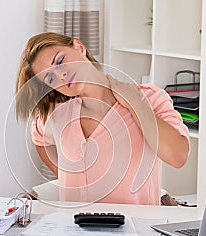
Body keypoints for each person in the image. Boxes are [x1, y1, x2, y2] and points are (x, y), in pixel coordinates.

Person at [15, 32, 190, 205]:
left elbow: (177, 156)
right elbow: (39, 138)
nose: (61, 75)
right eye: (51, 78)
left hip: (137, 229)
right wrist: (65, 175)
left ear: (79, 47)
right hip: (73, 229)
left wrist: (136, 104)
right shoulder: (57, 114)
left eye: (60, 61)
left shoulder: (149, 98)